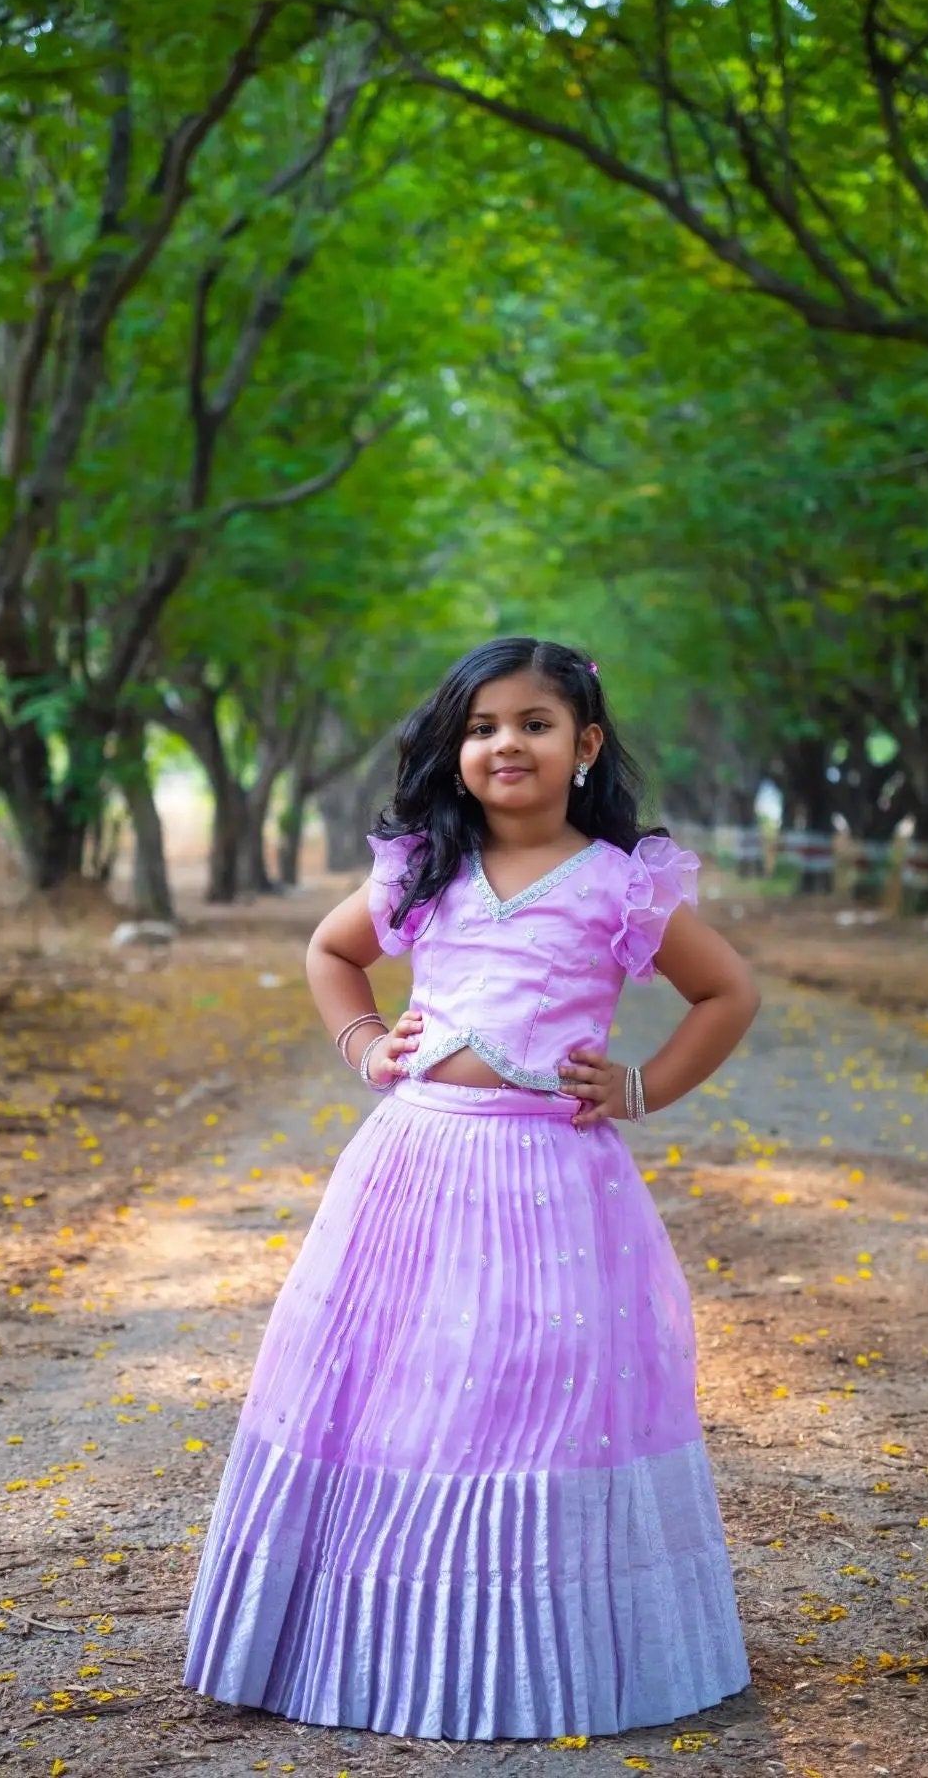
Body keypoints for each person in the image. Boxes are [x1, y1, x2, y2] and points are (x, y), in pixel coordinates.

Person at [183, 636, 759, 1741]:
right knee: (401, 1382)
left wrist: (641, 1085)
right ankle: (369, 1627)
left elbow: (725, 991)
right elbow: (329, 953)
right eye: (483, 726)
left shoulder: (618, 882)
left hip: (553, 1177)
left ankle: (539, 1641)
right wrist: (363, 1045)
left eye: (535, 725)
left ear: (584, 746)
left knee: (532, 1383)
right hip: (415, 1166)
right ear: (454, 751)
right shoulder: (418, 870)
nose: (507, 744)